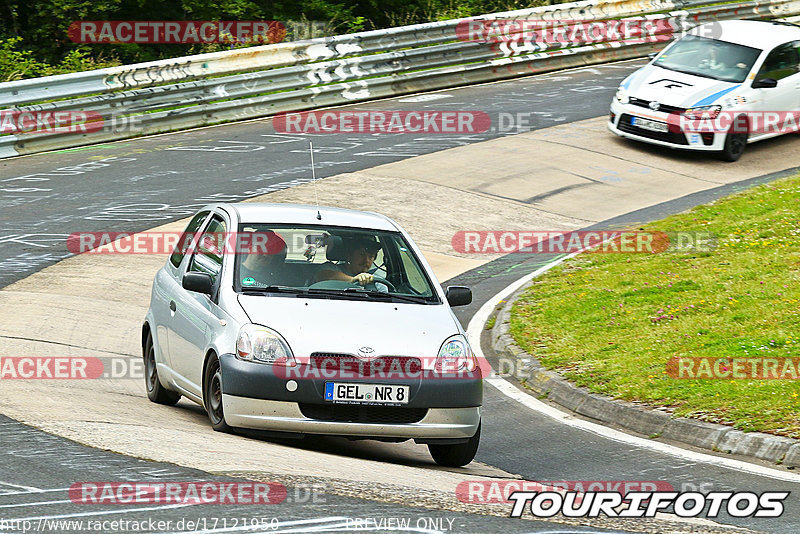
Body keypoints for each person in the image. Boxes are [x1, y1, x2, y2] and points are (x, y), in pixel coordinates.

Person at [314, 236, 382, 286]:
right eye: (361, 254)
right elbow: (325, 276)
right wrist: (353, 280)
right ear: (350, 255)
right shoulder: (330, 268)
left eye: (371, 257)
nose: (366, 260)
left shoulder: (377, 281)